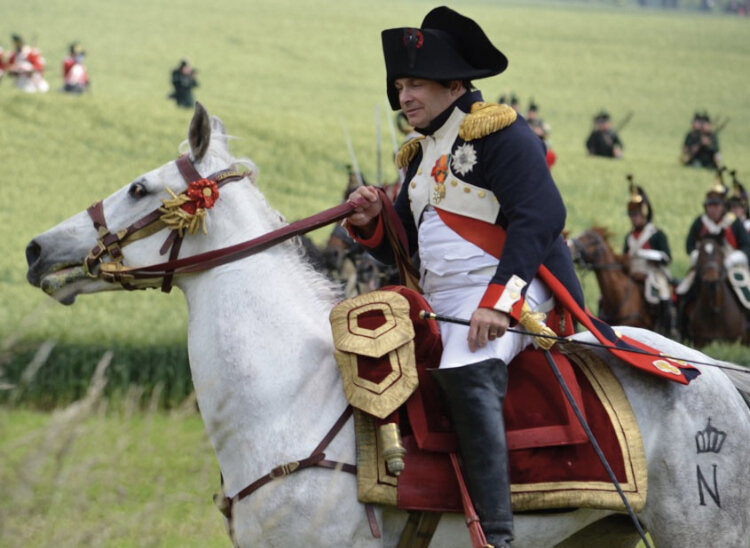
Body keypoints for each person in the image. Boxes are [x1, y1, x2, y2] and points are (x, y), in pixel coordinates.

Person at [346, 8, 588, 547]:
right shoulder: (417, 153)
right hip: (442, 302)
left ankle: (496, 536)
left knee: (464, 366)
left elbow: (542, 214)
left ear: (454, 84)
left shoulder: (498, 132)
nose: (404, 95)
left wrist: (498, 301)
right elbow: (407, 252)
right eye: (401, 85)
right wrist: (371, 225)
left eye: (417, 84)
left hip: (513, 292)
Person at [622, 177, 675, 335]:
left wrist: (649, 254)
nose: (634, 218)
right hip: (633, 272)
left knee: (663, 292)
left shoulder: (657, 234)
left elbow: (667, 257)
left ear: (644, 214)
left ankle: (667, 328)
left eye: (636, 214)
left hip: (653, 272)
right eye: (631, 215)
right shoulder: (629, 237)